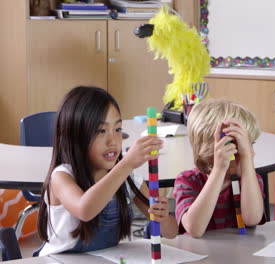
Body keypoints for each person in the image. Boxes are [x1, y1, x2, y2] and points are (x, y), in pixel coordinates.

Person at [35, 86, 177, 256]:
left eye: (117, 129)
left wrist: (164, 217)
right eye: (101, 131)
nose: (113, 141)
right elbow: (85, 210)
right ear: (74, 135)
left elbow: (171, 232)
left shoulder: (127, 177)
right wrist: (126, 164)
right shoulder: (62, 176)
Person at [173, 98, 265, 237]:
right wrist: (219, 169)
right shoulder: (187, 181)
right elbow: (194, 229)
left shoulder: (250, 180)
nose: (251, 153)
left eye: (249, 144)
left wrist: (246, 158)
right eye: (239, 147)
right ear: (210, 150)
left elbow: (252, 219)